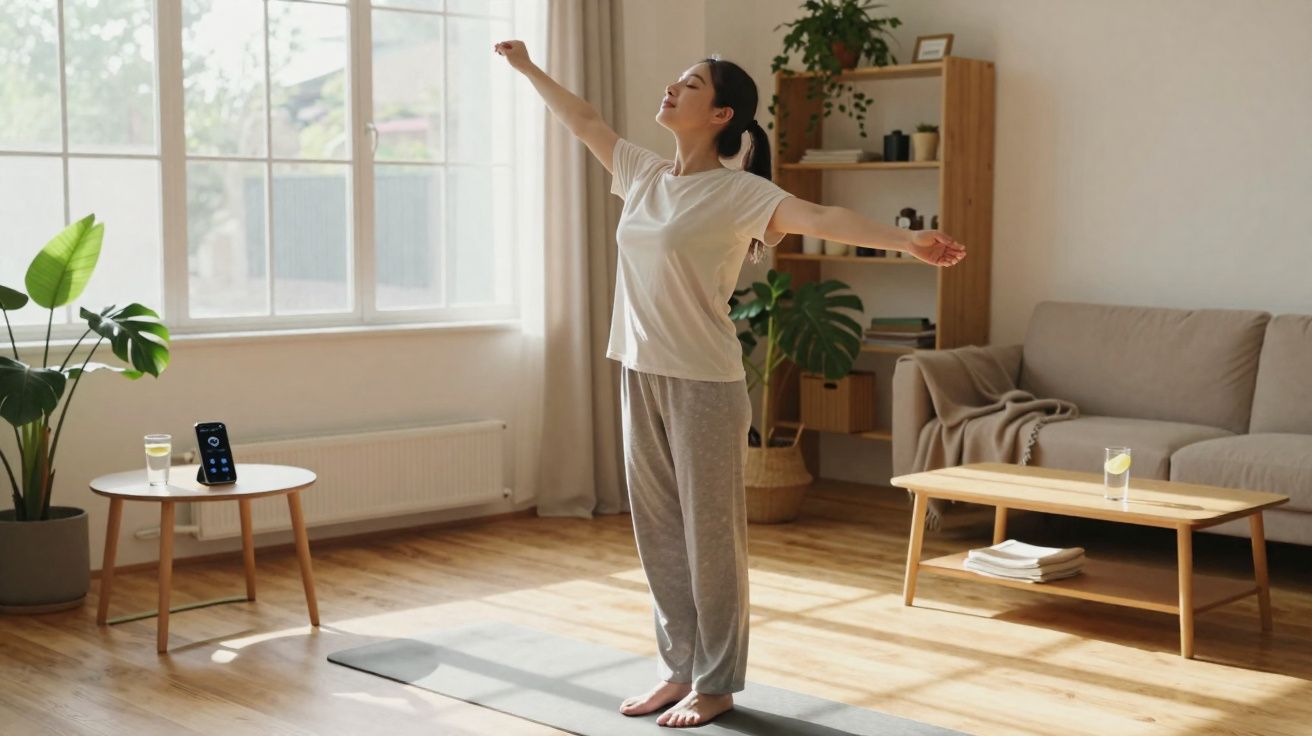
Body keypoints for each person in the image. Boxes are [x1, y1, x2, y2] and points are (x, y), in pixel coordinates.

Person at [493, 40, 965, 728]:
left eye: (688, 84)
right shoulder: (645, 174)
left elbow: (825, 220)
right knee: (657, 532)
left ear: (720, 114)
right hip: (640, 371)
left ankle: (716, 681)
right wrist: (528, 68)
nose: (671, 88)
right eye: (676, 79)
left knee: (711, 539)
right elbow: (585, 122)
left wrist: (908, 241)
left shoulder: (743, 192)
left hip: (705, 384)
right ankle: (677, 667)